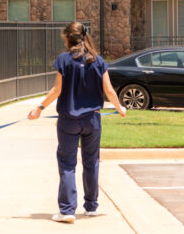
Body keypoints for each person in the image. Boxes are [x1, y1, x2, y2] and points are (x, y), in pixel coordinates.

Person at [28, 21, 125, 222]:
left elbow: (57, 90)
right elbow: (108, 90)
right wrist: (120, 108)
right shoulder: (98, 61)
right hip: (92, 120)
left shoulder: (64, 60)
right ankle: (91, 207)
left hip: (68, 121)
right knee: (92, 162)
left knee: (67, 163)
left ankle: (67, 210)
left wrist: (39, 108)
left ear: (67, 37)